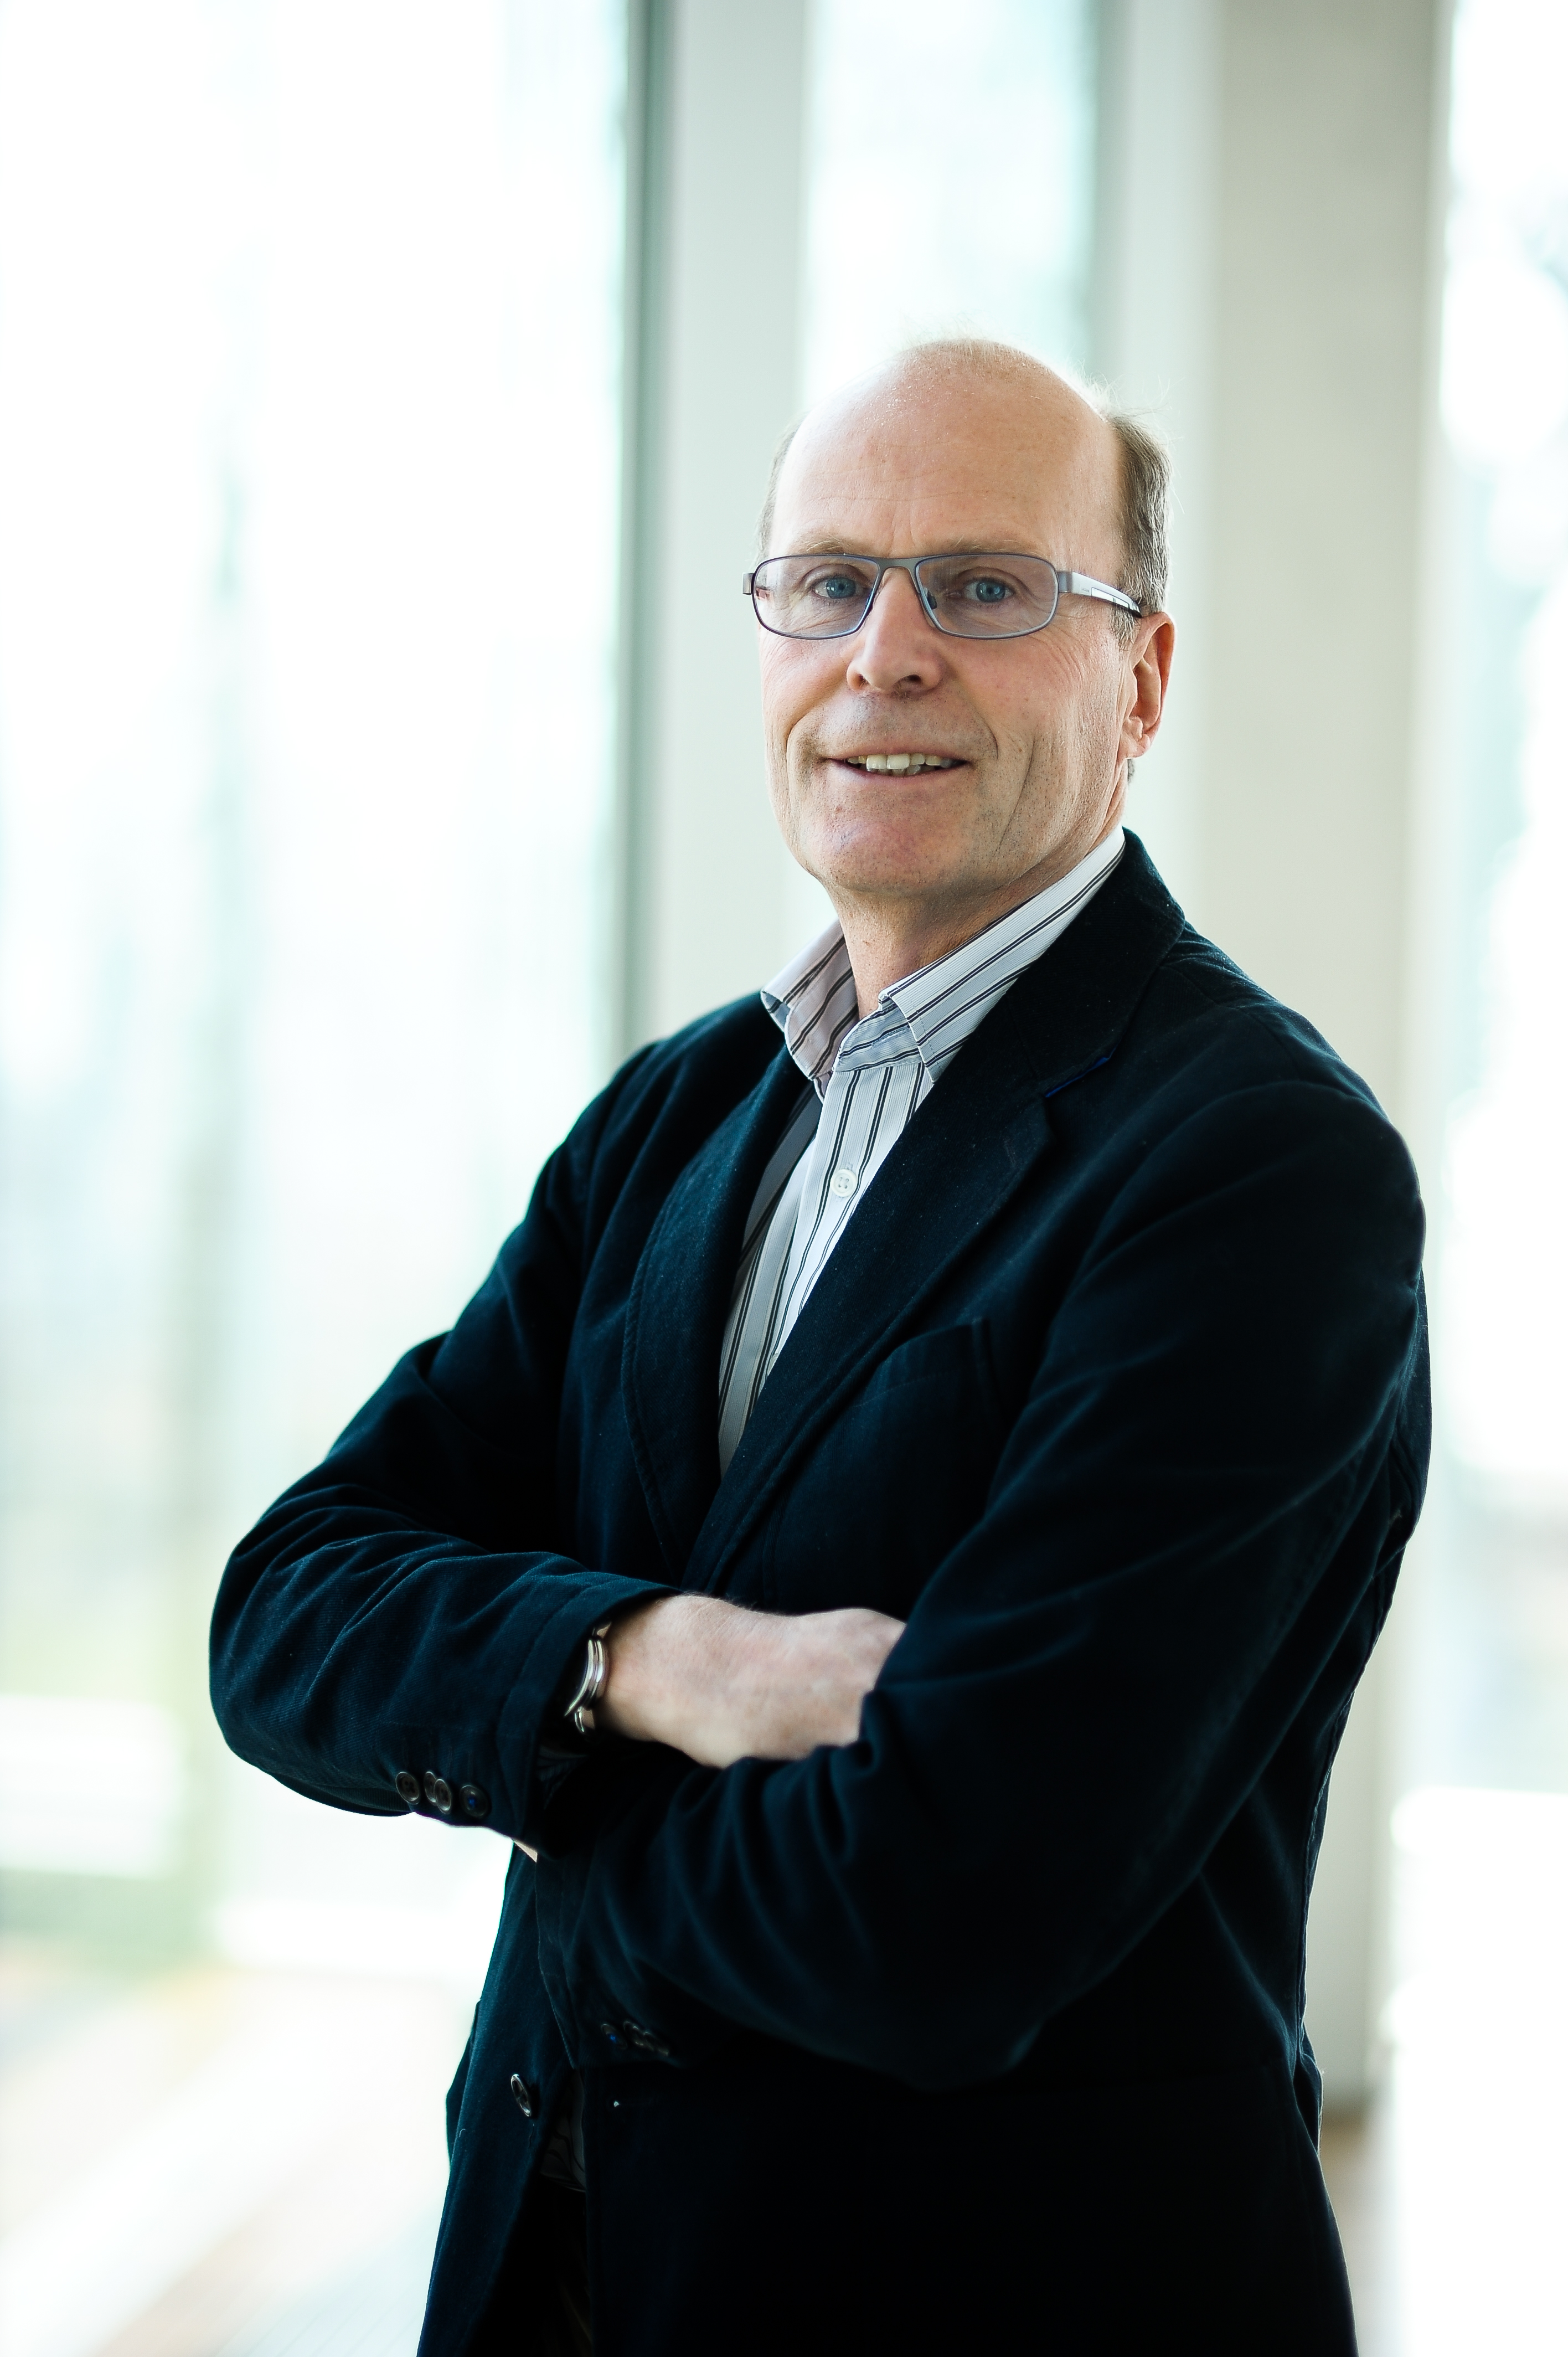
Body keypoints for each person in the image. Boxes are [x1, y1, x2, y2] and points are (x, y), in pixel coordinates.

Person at [210, 339, 1428, 2356]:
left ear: (1139, 679)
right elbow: (286, 1609)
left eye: (986, 587)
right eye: (829, 582)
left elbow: (943, 1913)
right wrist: (648, 1663)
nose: (888, 653)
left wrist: (530, 1788)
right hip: (555, 2283)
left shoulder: (1258, 1171)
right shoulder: (678, 1115)